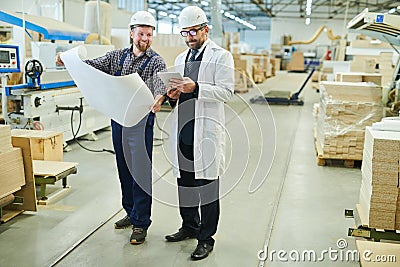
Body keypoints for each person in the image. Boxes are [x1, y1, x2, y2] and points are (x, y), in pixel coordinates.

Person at [56, 11, 167, 245]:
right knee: (124, 168)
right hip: (118, 119)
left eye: (149, 34)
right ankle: (130, 211)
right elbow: (90, 67)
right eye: (141, 34)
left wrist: (159, 97)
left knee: (140, 172)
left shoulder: (156, 61)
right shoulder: (116, 57)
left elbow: (160, 84)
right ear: (131, 33)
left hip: (140, 123)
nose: (145, 39)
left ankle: (141, 223)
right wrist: (68, 61)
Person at [164, 5, 234, 261]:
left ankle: (206, 238)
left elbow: (227, 92)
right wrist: (173, 95)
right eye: (185, 32)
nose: (190, 36)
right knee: (185, 182)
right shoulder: (181, 59)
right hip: (184, 127)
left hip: (206, 130)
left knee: (207, 186)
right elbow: (180, 93)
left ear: (205, 29)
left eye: (194, 31)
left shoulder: (221, 56)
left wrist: (197, 87)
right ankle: (189, 226)